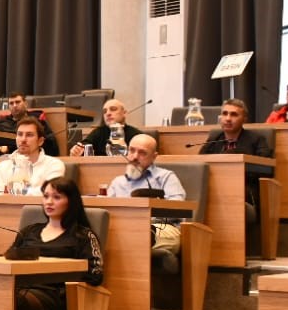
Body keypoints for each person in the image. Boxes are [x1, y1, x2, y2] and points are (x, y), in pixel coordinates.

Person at [4, 177, 106, 310]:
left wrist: (61, 271)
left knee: (11, 302)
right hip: (20, 288)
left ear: (71, 202)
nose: (49, 202)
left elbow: (96, 274)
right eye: (46, 196)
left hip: (54, 296)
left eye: (56, 197)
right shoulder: (29, 231)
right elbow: (8, 259)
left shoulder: (83, 235)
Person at [105, 133, 186, 270]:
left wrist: (144, 221)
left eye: (142, 153)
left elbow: (178, 210)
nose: (135, 156)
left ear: (154, 157)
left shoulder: (165, 177)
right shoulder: (118, 183)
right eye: (131, 150)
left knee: (140, 234)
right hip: (125, 230)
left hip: (163, 228)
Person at [199, 99, 273, 208]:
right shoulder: (214, 139)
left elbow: (267, 169)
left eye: (234, 114)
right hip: (215, 185)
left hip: (244, 187)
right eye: (225, 114)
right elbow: (200, 165)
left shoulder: (256, 140)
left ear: (244, 119)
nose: (228, 119)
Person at [0, 117, 65, 193]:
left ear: (40, 141)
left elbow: (49, 193)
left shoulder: (54, 165)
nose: (23, 139)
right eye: (20, 134)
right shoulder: (3, 166)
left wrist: (13, 192)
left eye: (29, 135)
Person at [0, 92, 61, 156]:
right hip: (5, 160)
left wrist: (9, 148)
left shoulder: (37, 121)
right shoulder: (1, 122)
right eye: (11, 103)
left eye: (17, 102)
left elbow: (51, 145)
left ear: (26, 104)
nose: (14, 105)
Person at [72, 98, 141, 156]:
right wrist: (77, 149)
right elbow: (85, 145)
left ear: (124, 113)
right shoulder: (99, 132)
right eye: (105, 111)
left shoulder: (136, 135)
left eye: (113, 109)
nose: (108, 113)